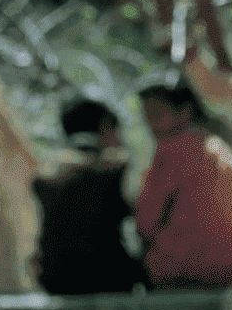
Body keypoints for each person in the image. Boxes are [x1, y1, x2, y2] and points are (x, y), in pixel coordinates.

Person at [134, 79, 232, 289]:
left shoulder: (171, 151)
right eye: (148, 118)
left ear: (185, 112)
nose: (151, 126)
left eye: (157, 115)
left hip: (181, 275)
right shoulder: (226, 154)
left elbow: (146, 222)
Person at [31, 98, 146, 295]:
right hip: (105, 279)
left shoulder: (46, 177)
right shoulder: (112, 172)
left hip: (55, 281)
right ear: (105, 127)